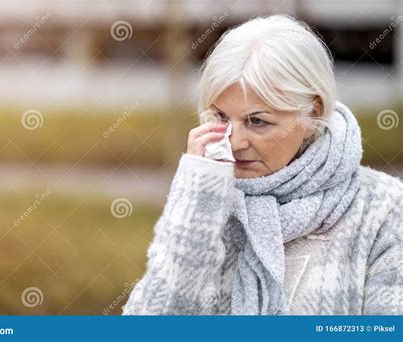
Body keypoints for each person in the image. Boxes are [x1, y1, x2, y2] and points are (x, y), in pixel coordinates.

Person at [122, 14, 402, 315]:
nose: (234, 141)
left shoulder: (383, 208)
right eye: (220, 117)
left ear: (312, 112)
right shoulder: (204, 196)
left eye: (257, 121)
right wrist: (195, 207)